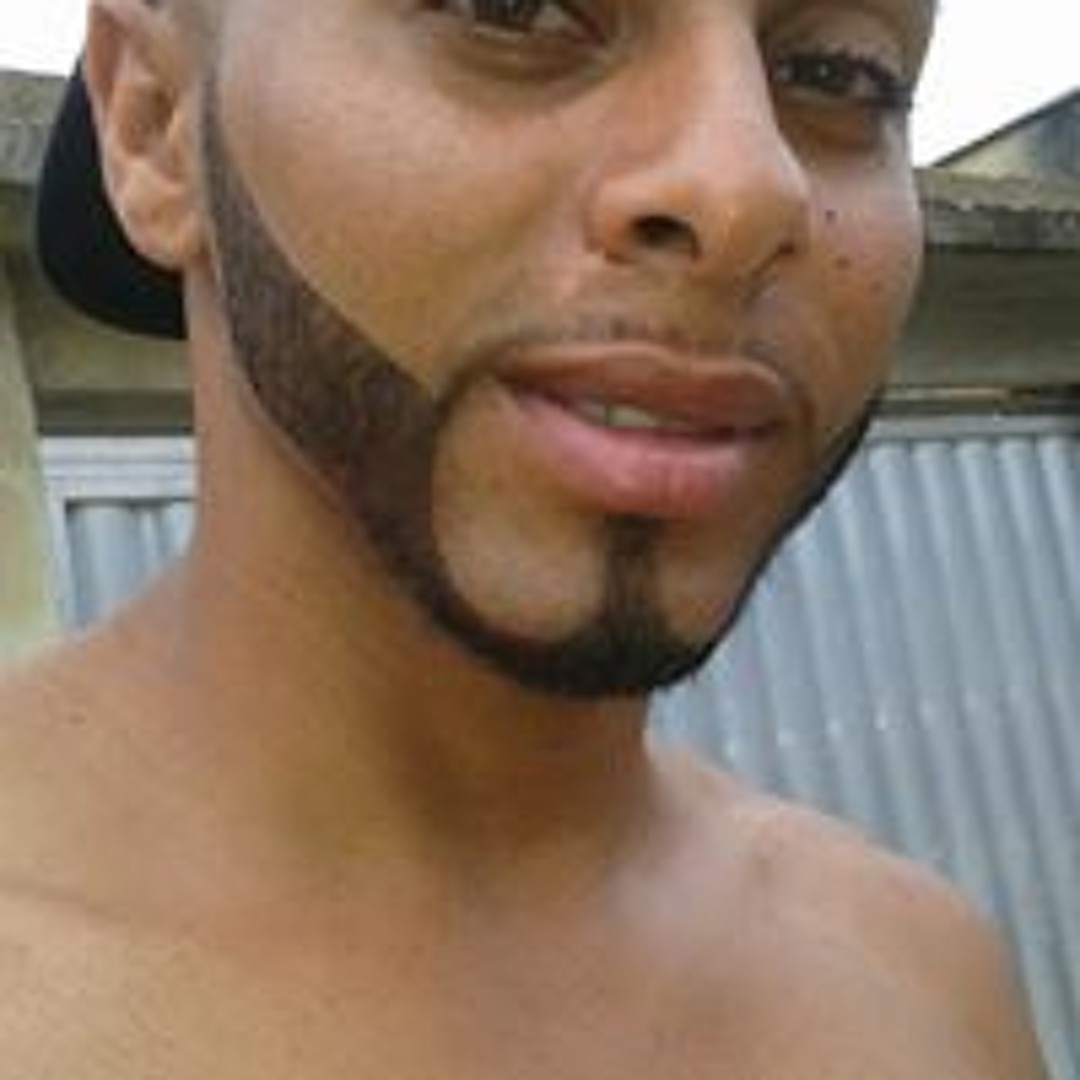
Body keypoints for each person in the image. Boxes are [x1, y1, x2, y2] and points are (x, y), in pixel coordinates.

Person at [0, 0, 1048, 1074]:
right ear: (154, 122)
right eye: (515, 11)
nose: (743, 191)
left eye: (838, 75)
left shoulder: (928, 989)